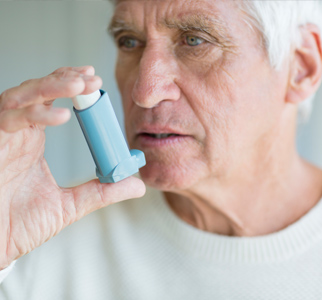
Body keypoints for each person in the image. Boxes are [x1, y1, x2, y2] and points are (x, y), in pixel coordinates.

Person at [0, 0, 322, 299]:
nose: (144, 92)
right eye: (129, 41)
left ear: (301, 68)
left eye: (195, 40)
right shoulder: (38, 242)